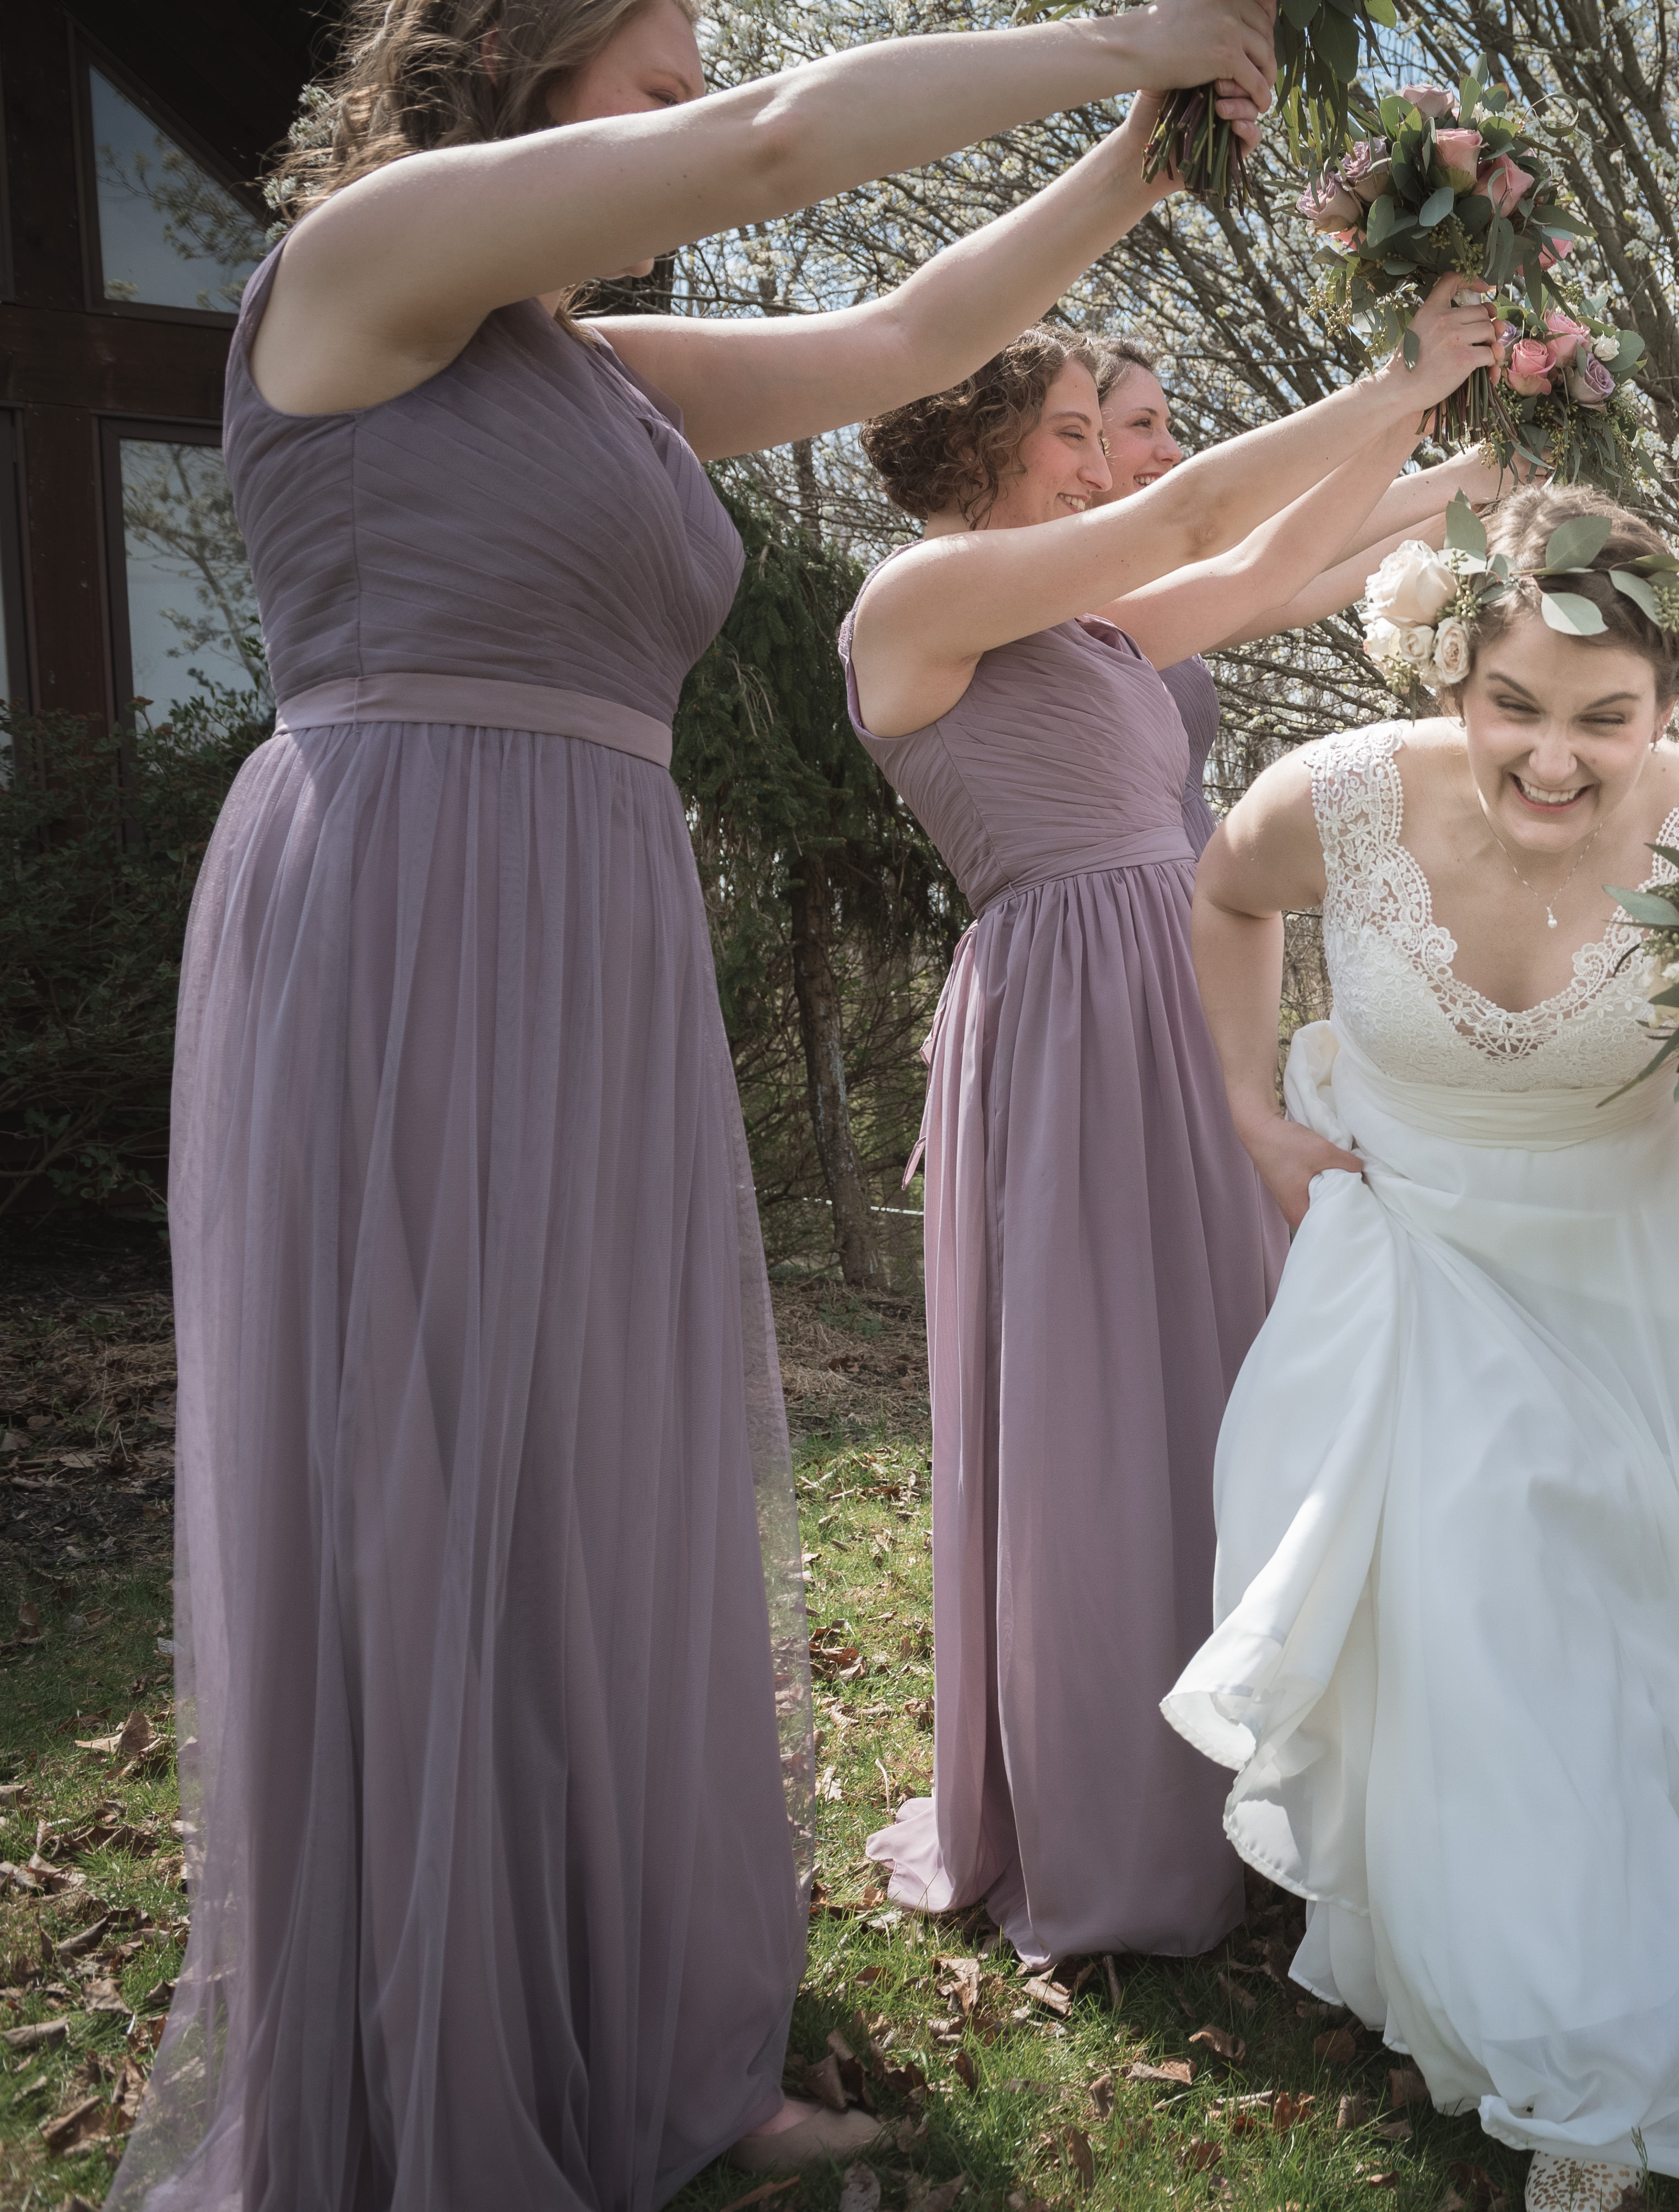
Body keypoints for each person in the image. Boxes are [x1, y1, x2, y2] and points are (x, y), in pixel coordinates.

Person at [132, 0, 1280, 2200]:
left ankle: (655, 2028)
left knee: (613, 1459)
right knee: (437, 1452)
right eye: (648, 73)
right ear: (524, 69)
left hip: (592, 914)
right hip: (403, 905)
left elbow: (923, 321)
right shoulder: (367, 269)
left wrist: (1153, 150)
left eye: (683, 79)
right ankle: (434, 2043)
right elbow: (776, 147)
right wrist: (1141, 22)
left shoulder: (590, 374)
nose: (684, 109)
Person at [1166, 487, 1679, 2211]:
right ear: (1458, 677)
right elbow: (1222, 895)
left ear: (1666, 710)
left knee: (1609, 1651)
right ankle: (1596, 2077)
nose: (1556, 759)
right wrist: (1245, 1113)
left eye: (1606, 718)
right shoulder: (1339, 800)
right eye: (1517, 705)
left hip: (1641, 1267)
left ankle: (1587, 1912)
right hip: (1410, 1262)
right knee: (1481, 1608)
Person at [841, 281, 1505, 1966]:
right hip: (1067, 1022)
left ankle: (1262, 1770)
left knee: (1230, 1371)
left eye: (1088, 430)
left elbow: (1265, 573)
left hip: (1180, 993)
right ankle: (1115, 1813)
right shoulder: (914, 603)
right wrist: (1397, 374)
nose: (1093, 460)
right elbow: (1199, 515)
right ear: (977, 435)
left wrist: (1448, 459)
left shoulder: (1087, 619)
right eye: (1068, 429)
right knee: (1097, 1407)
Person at [1049, 333, 1525, 851]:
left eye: (1167, 425)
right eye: (1143, 424)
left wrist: (1462, 511)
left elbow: (1299, 591)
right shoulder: (1064, 604)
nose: (1172, 450)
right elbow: (1268, 563)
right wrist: (1436, 445)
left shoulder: (1145, 589)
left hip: (1182, 879)